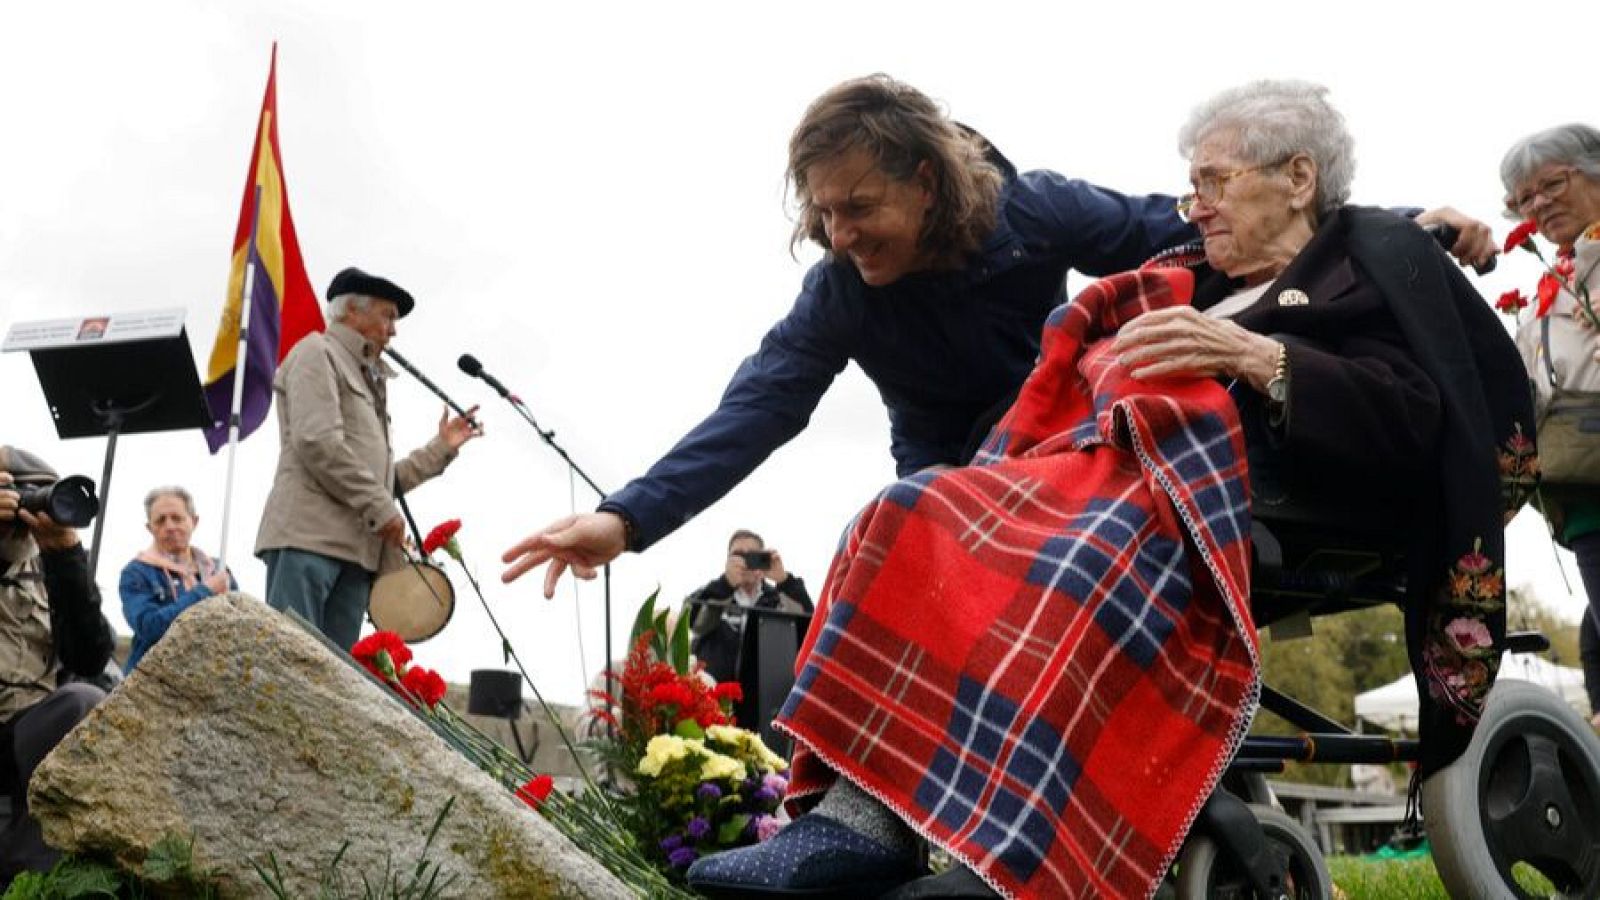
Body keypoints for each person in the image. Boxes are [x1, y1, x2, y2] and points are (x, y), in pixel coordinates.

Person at [676, 80, 1529, 899]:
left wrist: (1248, 355)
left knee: (1072, 559)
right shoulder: (1190, 276)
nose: (1190, 205)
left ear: (1298, 178)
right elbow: (766, 398)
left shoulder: (1369, 267)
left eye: (1211, 182)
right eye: (1190, 184)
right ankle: (856, 822)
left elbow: (1422, 414)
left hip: (1212, 488)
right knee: (906, 513)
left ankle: (1014, 860)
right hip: (1076, 467)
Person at [501, 73, 1494, 598]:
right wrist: (626, 521)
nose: (840, 237)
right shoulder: (841, 295)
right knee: (911, 541)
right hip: (945, 450)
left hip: (1052, 426)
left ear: (925, 183)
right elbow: (755, 410)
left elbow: (1198, 227)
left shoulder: (1034, 213)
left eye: (858, 209)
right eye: (824, 216)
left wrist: (1412, 225)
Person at [255, 267, 481, 650]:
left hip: (358, 555)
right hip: (309, 540)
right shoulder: (316, 352)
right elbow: (318, 444)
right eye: (388, 315)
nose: (394, 330)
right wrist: (381, 508)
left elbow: (379, 483)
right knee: (290, 667)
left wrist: (442, 447)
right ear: (351, 311)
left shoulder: (368, 374)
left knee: (334, 685)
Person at [1498, 123, 1600, 729]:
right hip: (1580, 494)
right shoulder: (1556, 280)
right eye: (1523, 198)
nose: (1538, 205)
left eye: (1551, 184)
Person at [0, 446, 115, 884]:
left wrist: (65, 558)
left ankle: (35, 879)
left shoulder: (49, 561)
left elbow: (89, 655)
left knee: (83, 701)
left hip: (23, 729)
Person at [118, 486, 235, 673]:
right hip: (155, 678)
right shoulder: (136, 573)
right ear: (150, 528)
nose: (170, 526)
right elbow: (150, 627)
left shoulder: (218, 570)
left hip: (211, 674)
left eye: (177, 518)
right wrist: (204, 592)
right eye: (160, 520)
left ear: (194, 521)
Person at [685, 529, 812, 684]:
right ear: (728, 561)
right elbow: (693, 623)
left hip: (768, 698)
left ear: (763, 560)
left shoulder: (780, 600)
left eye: (752, 556)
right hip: (716, 698)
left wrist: (784, 581)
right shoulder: (710, 593)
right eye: (738, 555)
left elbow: (810, 628)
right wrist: (725, 584)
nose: (744, 562)